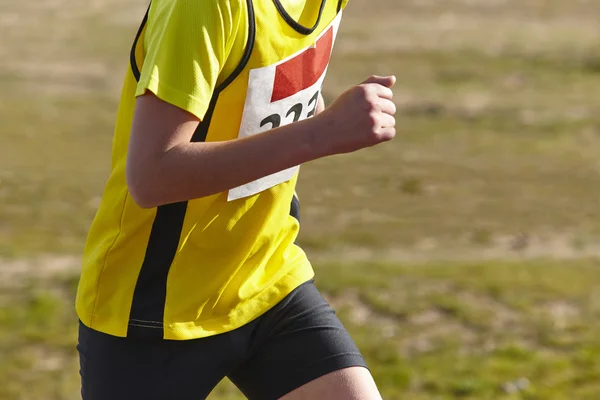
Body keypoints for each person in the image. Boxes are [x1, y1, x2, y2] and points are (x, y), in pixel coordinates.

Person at [75, 0, 396, 398]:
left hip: (266, 277)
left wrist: (322, 123)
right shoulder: (202, 8)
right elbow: (152, 176)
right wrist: (322, 133)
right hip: (154, 307)